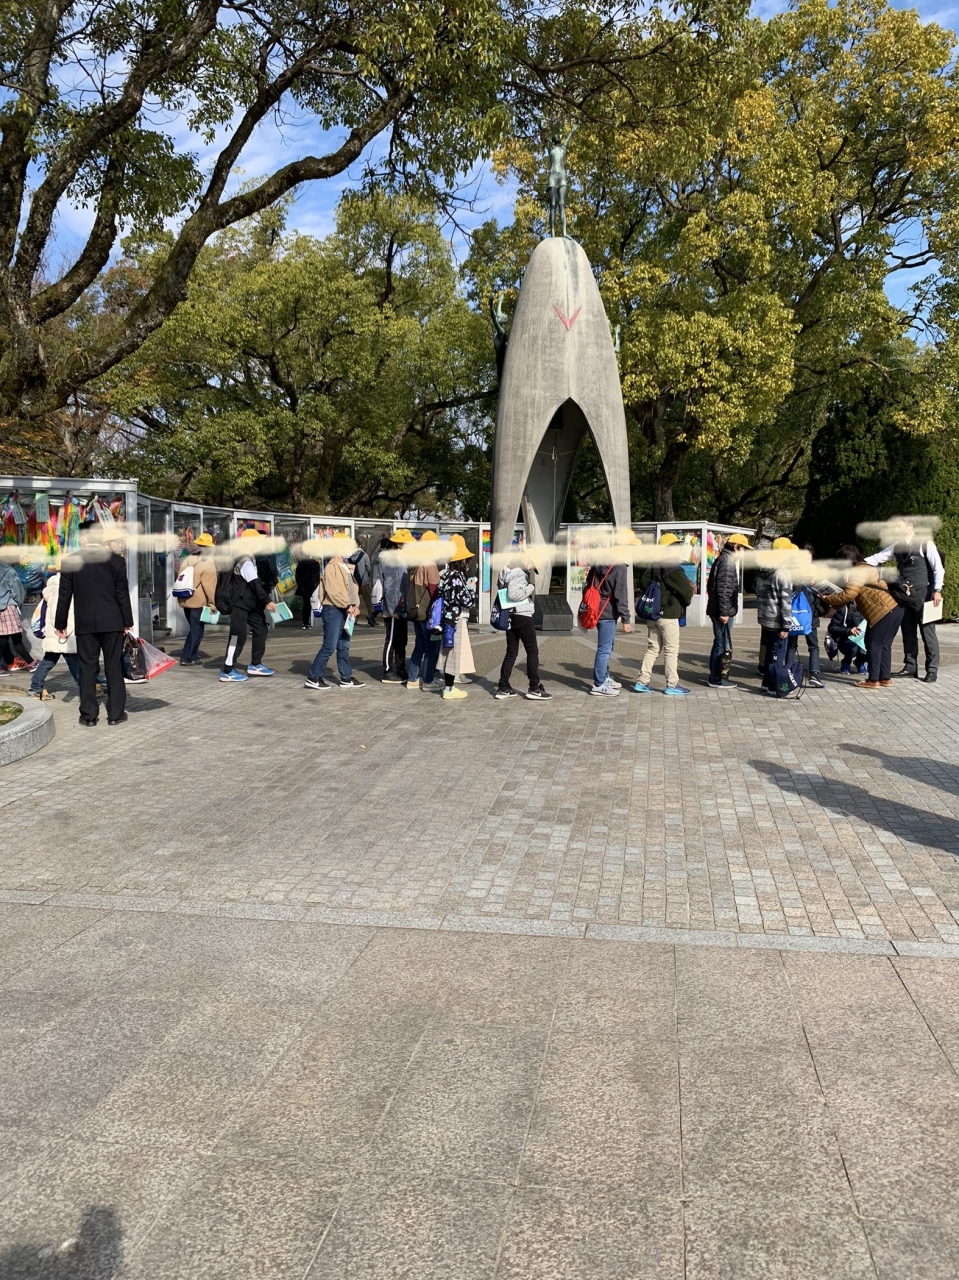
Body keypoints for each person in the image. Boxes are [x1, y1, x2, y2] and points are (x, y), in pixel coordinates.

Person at [55, 522, 134, 726]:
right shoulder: (116, 561)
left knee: (87, 668)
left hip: (85, 622)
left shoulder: (70, 561)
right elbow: (122, 593)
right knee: (113, 667)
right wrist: (127, 621)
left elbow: (64, 595)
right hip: (113, 621)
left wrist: (60, 624)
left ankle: (89, 716)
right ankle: (115, 714)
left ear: (83, 538)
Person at [865, 519, 945, 682]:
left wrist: (937, 590)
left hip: (924, 594)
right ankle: (910, 666)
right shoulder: (897, 546)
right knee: (908, 632)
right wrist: (857, 563)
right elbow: (877, 558)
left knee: (927, 633)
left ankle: (932, 669)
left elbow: (938, 568)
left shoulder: (925, 544)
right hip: (905, 595)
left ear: (910, 526)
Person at [818, 545, 903, 689]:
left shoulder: (857, 571)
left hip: (882, 611)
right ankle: (885, 678)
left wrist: (828, 599)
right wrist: (836, 604)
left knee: (873, 644)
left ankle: (873, 680)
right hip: (895, 608)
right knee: (885, 644)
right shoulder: (866, 567)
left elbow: (849, 594)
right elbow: (853, 594)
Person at [632, 533, 694, 696]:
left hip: (652, 613)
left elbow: (644, 583)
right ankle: (672, 684)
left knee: (653, 648)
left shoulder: (653, 566)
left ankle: (642, 681)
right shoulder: (674, 568)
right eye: (676, 546)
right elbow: (687, 592)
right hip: (669, 615)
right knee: (671, 650)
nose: (679, 549)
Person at [220, 529, 277, 682]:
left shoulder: (250, 557)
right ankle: (227, 670)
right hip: (240, 604)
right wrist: (267, 601)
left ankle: (255, 664)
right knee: (237, 636)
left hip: (250, 603)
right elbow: (254, 584)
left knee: (261, 629)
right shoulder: (245, 560)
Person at [304, 545, 364, 690]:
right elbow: (333, 591)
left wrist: (355, 605)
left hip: (347, 611)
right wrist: (347, 605)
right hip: (333, 609)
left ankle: (346, 677)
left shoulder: (347, 566)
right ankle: (313, 677)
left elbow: (353, 589)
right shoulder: (331, 567)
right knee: (329, 645)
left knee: (344, 645)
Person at [495, 555, 550, 700]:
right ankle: (534, 688)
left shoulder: (505, 571)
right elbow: (514, 594)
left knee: (511, 652)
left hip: (510, 615)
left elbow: (503, 590)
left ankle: (503, 687)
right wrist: (530, 587)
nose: (530, 570)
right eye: (531, 566)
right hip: (522, 616)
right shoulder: (519, 572)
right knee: (532, 651)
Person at [584, 544, 632, 697]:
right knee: (605, 648)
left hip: (595, 609)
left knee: (607, 646)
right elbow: (621, 594)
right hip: (608, 612)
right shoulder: (620, 567)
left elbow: (588, 583)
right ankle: (599, 683)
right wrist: (626, 618)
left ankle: (604, 677)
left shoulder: (599, 562)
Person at [27, 561, 80, 700]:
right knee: (73, 660)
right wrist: (66, 629)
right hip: (62, 631)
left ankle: (35, 687)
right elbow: (59, 611)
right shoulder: (61, 586)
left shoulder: (55, 585)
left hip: (57, 631)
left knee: (50, 660)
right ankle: (88, 687)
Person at [706, 532, 749, 689]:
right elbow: (723, 590)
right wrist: (724, 612)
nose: (744, 553)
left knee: (719, 642)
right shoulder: (727, 562)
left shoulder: (722, 559)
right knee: (722, 644)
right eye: (743, 549)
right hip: (722, 611)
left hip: (719, 609)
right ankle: (716, 678)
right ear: (736, 547)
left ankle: (715, 676)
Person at [438, 541, 477, 700]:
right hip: (456, 618)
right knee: (453, 654)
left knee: (448, 652)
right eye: (466, 560)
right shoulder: (457, 577)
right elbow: (467, 601)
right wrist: (472, 588)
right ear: (461, 561)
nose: (467, 563)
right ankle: (449, 689)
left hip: (447, 618)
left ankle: (449, 687)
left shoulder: (446, 575)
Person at [756, 537, 795, 695]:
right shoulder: (783, 573)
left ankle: (766, 683)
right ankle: (774, 687)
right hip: (777, 621)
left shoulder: (762, 571)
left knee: (769, 653)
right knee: (777, 655)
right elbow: (786, 601)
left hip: (764, 618)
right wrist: (786, 625)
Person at [785, 543, 826, 689]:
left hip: (803, 612)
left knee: (810, 645)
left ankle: (810, 674)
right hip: (803, 612)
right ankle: (804, 673)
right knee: (797, 645)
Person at [406, 530, 443, 691]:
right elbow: (434, 590)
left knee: (419, 645)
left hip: (416, 611)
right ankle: (428, 680)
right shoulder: (430, 564)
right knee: (431, 647)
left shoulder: (416, 563)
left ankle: (412, 678)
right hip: (427, 612)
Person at [376, 528, 412, 684]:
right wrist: (392, 610)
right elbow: (390, 587)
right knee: (391, 640)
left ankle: (400, 667)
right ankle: (388, 670)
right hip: (394, 609)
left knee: (401, 640)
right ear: (399, 544)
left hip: (401, 607)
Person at [177, 532, 217, 665]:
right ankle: (187, 657)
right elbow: (209, 586)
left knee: (194, 628)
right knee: (197, 630)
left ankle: (192, 656)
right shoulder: (208, 562)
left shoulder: (189, 558)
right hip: (198, 601)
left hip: (185, 598)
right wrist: (213, 604)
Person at [0, 562, 36, 673]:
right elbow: (18, 592)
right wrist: (18, 604)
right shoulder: (9, 572)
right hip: (7, 606)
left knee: (8, 638)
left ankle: (29, 663)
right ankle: (31, 663)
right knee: (10, 639)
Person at [826, 601, 868, 675]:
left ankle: (860, 661)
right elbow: (832, 627)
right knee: (854, 648)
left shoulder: (869, 608)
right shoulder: (844, 608)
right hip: (846, 639)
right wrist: (848, 630)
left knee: (876, 648)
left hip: (864, 638)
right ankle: (846, 662)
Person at [346, 544, 375, 626]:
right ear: (360, 545)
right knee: (368, 602)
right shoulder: (364, 555)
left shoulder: (349, 556)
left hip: (353, 583)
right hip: (364, 582)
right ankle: (371, 618)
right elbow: (369, 568)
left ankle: (353, 620)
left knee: (354, 602)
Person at [294, 550, 321, 630]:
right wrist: (315, 585)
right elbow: (315, 577)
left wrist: (301, 585)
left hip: (303, 588)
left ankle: (305, 622)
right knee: (314, 603)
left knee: (306, 604)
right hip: (312, 587)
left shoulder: (301, 564)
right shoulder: (315, 564)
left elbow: (297, 576)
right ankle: (311, 621)